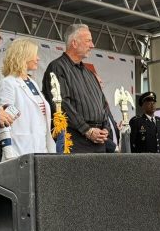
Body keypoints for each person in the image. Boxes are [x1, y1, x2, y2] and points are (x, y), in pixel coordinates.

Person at [42, 24, 111, 154]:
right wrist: (87, 130)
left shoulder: (90, 74)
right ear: (74, 43)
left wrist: (106, 128)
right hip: (76, 141)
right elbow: (62, 104)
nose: (92, 45)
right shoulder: (57, 67)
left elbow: (103, 104)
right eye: (88, 41)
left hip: (99, 141)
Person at [0, 38, 54, 158]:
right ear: (24, 56)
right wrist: (8, 150)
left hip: (41, 149)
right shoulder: (8, 83)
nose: (38, 58)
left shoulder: (32, 82)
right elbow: (5, 120)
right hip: (19, 151)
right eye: (35, 54)